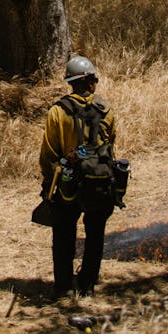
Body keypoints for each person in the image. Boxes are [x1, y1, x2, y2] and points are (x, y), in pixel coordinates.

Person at [39, 55, 117, 299]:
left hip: (66, 185)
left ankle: (63, 287)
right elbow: (110, 146)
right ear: (91, 81)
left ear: (71, 83)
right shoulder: (106, 111)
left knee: (63, 235)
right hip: (99, 183)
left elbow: (49, 154)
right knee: (95, 236)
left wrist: (50, 184)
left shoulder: (57, 112)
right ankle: (88, 285)